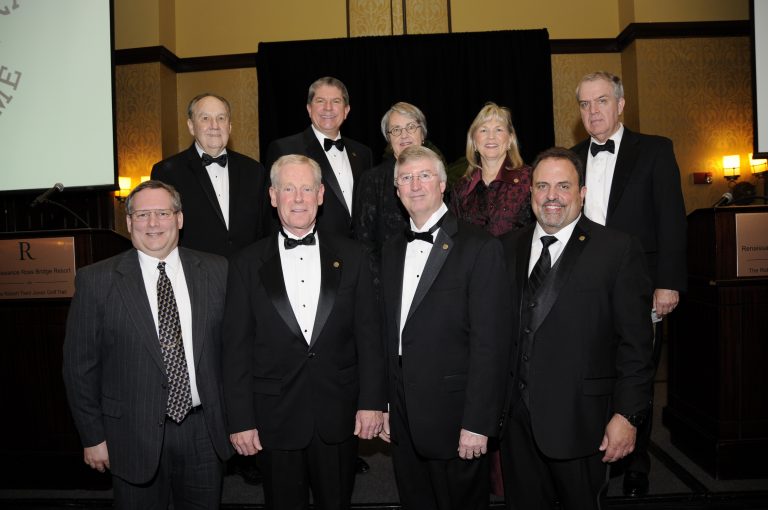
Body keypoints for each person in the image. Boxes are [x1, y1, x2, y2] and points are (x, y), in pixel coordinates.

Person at [222, 154, 386, 510]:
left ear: (321, 195)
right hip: (273, 418)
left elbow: (370, 337)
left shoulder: (354, 255)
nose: (298, 198)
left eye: (307, 189)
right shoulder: (245, 264)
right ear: (272, 196)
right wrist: (240, 420)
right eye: (288, 188)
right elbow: (235, 348)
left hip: (338, 414)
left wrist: (372, 402)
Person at [498, 147, 655, 510]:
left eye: (563, 186)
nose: (552, 196)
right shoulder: (506, 248)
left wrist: (628, 415)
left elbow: (636, 344)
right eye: (542, 186)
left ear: (582, 193)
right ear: (531, 192)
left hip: (583, 422)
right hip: (516, 423)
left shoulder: (617, 249)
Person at [63, 180, 232, 509]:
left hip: (204, 434)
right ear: (128, 223)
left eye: (162, 213)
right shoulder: (96, 280)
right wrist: (93, 437)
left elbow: (233, 353)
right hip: (129, 435)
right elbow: (78, 368)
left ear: (179, 219)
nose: (152, 224)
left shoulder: (217, 271)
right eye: (142, 215)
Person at [571, 71, 687, 497]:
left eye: (601, 101)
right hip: (584, 287)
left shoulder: (655, 151)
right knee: (591, 372)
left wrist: (668, 283)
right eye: (585, 104)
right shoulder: (572, 156)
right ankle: (593, 450)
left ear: (621, 105)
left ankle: (637, 463)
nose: (593, 111)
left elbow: (671, 219)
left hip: (640, 286)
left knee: (636, 372)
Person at [378, 145, 511, 510]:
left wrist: (479, 422)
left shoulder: (479, 247)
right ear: (396, 189)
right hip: (404, 414)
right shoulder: (390, 250)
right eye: (406, 178)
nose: (415, 185)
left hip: (457, 418)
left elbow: (492, 344)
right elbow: (390, 336)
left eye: (424, 176)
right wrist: (387, 403)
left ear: (441, 184)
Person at [152, 92, 273, 258]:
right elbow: (162, 231)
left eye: (221, 118)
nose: (214, 125)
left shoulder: (254, 171)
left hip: (246, 273)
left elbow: (264, 229)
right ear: (191, 126)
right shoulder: (167, 172)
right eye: (205, 118)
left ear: (230, 126)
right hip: (195, 275)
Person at [265, 77, 373, 238]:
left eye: (336, 101)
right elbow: (271, 211)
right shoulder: (285, 148)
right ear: (309, 109)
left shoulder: (363, 153)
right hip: (314, 248)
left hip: (359, 251)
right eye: (320, 101)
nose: (328, 108)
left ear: (346, 110)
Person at [353, 101, 428, 287]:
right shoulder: (372, 179)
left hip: (432, 278)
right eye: (396, 129)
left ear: (423, 133)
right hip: (388, 283)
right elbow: (363, 243)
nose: (404, 135)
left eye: (411, 127)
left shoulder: (437, 174)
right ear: (389, 139)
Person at [450, 102, 533, 237]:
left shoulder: (530, 179)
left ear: (510, 139)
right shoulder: (460, 189)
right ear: (474, 142)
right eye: (483, 130)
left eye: (498, 130)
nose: (491, 136)